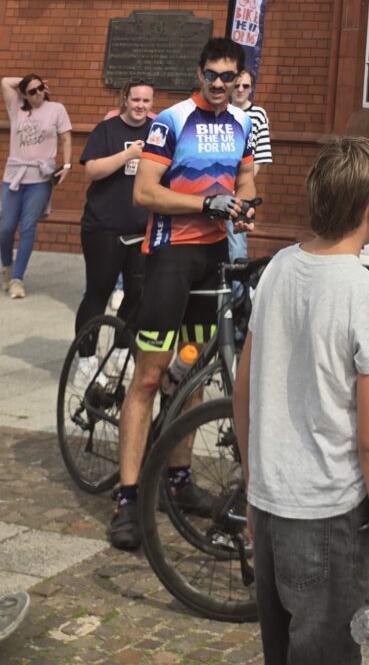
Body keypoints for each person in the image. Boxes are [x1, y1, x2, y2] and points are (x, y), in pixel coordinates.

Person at [233, 136, 369, 665]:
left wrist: (253, 488)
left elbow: (243, 386)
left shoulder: (276, 268)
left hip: (272, 506)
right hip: (327, 516)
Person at [108, 37, 257, 551]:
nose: (219, 84)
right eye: (211, 75)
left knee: (193, 370)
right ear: (199, 73)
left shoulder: (243, 123)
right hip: (171, 256)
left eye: (228, 76)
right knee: (150, 375)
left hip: (214, 259)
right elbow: (144, 192)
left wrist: (245, 203)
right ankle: (127, 497)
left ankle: (177, 477)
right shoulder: (170, 121)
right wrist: (205, 205)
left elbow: (247, 177)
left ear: (239, 77)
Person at [72, 79, 155, 383]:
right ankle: (86, 360)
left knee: (138, 294)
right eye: (136, 100)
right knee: (98, 292)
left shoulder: (157, 133)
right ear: (125, 99)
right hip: (103, 228)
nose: (140, 106)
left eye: (146, 101)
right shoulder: (106, 130)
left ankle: (121, 352)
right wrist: (127, 155)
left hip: (141, 228)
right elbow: (91, 170)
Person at [1, 74, 73, 299]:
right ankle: (7, 266)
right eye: (32, 91)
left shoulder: (56, 109)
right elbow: (5, 81)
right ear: (23, 94)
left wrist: (68, 165)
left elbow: (66, 138)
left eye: (41, 88)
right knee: (5, 227)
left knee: (28, 227)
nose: (38, 93)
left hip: (40, 180)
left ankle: (17, 279)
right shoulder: (16, 108)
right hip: (14, 176)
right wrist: (26, 81)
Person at [227, 68, 272, 284]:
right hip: (215, 188)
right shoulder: (221, 111)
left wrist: (241, 186)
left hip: (241, 191)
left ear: (251, 88)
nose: (241, 90)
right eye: (236, 85)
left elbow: (260, 156)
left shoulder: (258, 114)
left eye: (245, 86)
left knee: (237, 245)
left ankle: (237, 304)